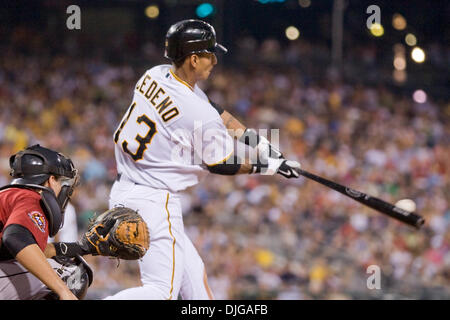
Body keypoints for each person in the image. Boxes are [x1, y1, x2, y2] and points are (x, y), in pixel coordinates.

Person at [106, 19, 300, 300]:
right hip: (154, 200)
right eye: (211, 53)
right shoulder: (197, 113)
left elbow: (215, 110)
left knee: (194, 278)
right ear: (194, 59)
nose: (215, 60)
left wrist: (260, 144)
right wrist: (269, 166)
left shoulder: (155, 74)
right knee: (161, 292)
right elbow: (220, 163)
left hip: (127, 189)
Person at [0, 144, 87, 300]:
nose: (62, 187)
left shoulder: (9, 194)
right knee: (72, 272)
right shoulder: (30, 197)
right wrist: (63, 291)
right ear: (51, 180)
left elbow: (30, 249)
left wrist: (83, 248)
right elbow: (15, 237)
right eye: (61, 181)